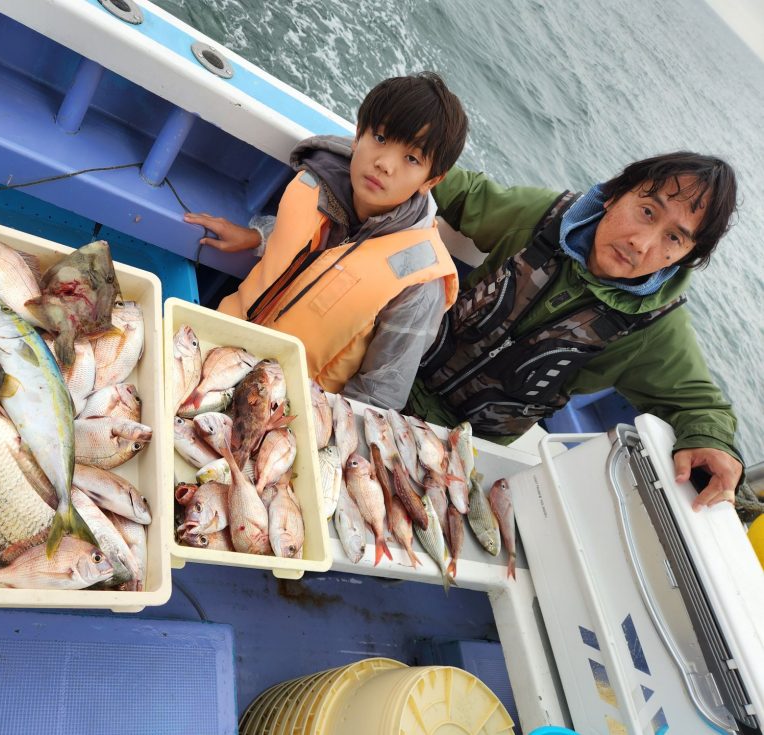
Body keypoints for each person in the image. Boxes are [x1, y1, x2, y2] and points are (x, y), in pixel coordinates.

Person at [408, 153, 744, 509]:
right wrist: (403, 157)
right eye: (647, 211)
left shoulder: (656, 329)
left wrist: (714, 442)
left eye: (674, 238)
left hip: (464, 445)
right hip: (400, 367)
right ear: (615, 194)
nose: (642, 243)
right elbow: (465, 194)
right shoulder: (544, 218)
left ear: (684, 256)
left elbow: (703, 407)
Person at [184, 72, 468, 409]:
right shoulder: (323, 182)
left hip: (286, 411)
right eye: (379, 137)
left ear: (431, 179)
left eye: (411, 159)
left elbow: (377, 397)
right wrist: (256, 237)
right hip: (215, 345)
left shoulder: (420, 284)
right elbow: (317, 249)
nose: (384, 163)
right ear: (358, 134)